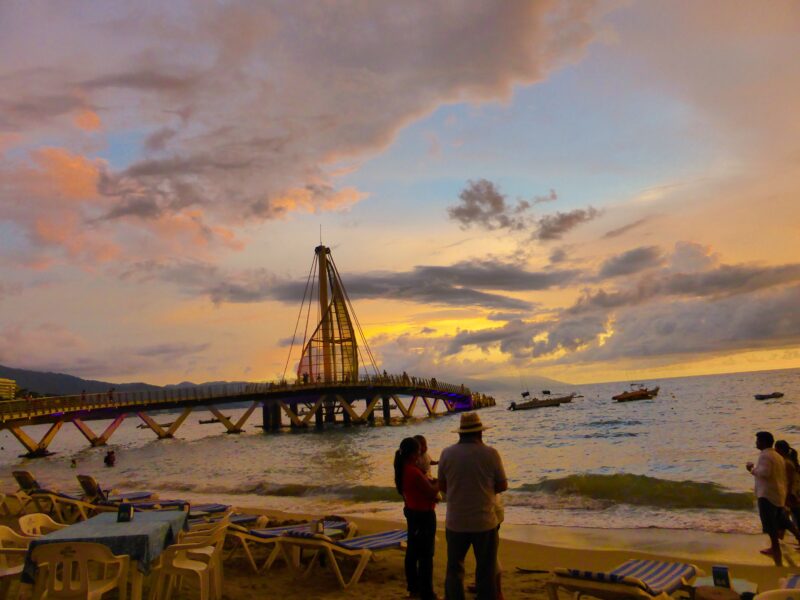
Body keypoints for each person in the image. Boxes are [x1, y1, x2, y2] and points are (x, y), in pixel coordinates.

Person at [438, 412, 507, 600]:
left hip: (456, 521)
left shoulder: (446, 453)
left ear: (460, 433)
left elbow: (442, 486)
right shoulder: (490, 454)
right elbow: (502, 485)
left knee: (454, 569)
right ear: (480, 433)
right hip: (484, 521)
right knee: (485, 569)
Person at [394, 437, 438, 600]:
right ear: (413, 454)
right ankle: (427, 592)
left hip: (413, 511)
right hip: (423, 514)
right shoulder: (412, 471)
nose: (421, 454)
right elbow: (431, 491)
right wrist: (441, 480)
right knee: (426, 555)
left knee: (413, 551)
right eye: (419, 451)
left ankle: (414, 588)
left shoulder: (404, 468)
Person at [747, 431, 800, 565]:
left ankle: (776, 555)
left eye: (758, 440)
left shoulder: (765, 455)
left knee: (771, 527)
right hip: (778, 495)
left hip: (767, 495)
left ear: (764, 442)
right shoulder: (778, 456)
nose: (756, 443)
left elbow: (764, 473)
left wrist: (752, 469)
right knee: (784, 522)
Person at [775, 440, 800, 528]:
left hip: (791, 494)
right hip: (795, 494)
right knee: (794, 516)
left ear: (780, 450)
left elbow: (789, 481)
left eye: (776, 449)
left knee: (790, 516)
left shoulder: (786, 463)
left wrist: (787, 496)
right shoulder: (789, 462)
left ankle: (780, 535)